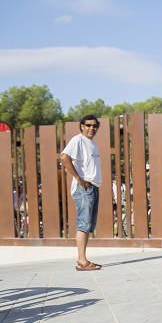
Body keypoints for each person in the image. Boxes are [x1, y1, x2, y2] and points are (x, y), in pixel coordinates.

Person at [59, 114, 102, 271]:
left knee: (88, 224)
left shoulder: (93, 143)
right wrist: (79, 178)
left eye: (94, 125)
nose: (92, 128)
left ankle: (83, 259)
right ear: (82, 126)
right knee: (84, 223)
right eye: (88, 125)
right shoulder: (78, 140)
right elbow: (64, 157)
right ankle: (81, 261)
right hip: (84, 186)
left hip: (92, 186)